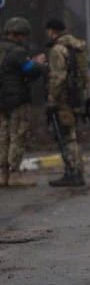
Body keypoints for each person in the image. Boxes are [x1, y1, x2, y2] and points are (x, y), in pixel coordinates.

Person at [0, 17, 47, 187]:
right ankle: (15, 174)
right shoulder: (18, 52)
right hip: (17, 99)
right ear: (20, 35)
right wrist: (39, 64)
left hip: (1, 100)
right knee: (17, 135)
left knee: (3, 137)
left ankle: (2, 174)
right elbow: (29, 70)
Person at [44, 19, 88, 187]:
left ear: (51, 31)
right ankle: (77, 171)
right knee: (73, 135)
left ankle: (73, 172)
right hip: (77, 96)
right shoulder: (77, 47)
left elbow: (58, 77)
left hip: (64, 99)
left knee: (66, 136)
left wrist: (52, 98)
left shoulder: (57, 50)